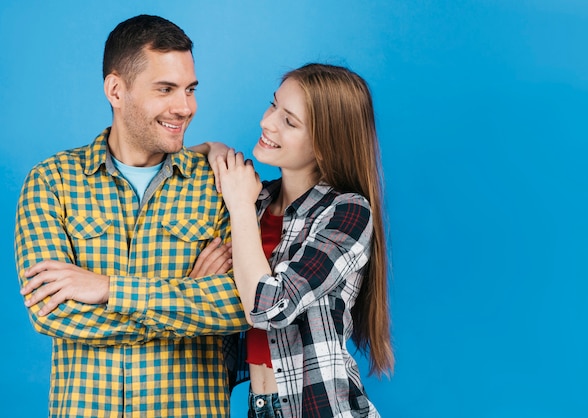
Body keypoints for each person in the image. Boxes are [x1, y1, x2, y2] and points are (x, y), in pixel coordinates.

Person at [14, 15, 248, 417]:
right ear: (116, 90)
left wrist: (106, 288)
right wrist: (186, 297)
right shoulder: (51, 182)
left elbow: (242, 305)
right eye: (166, 89)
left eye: (190, 89)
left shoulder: (223, 185)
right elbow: (52, 312)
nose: (185, 107)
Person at [194, 63, 394, 417]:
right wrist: (214, 149)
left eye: (289, 121)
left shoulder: (347, 213)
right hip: (258, 406)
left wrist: (238, 206)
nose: (266, 122)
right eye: (273, 105)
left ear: (326, 141)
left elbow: (269, 307)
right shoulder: (256, 201)